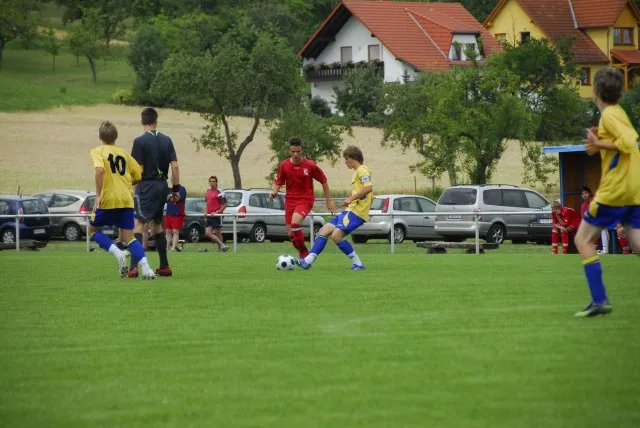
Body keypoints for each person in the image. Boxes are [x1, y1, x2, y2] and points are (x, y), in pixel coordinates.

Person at [575, 67, 640, 317]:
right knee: (637, 243)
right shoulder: (618, 112)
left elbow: (628, 142)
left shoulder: (610, 115)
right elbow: (621, 145)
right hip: (633, 189)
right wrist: (599, 145)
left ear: (595, 92)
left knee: (582, 240)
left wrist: (598, 142)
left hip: (616, 190)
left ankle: (599, 300)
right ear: (620, 94)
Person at [88, 121, 155, 279]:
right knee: (129, 237)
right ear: (115, 136)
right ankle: (147, 269)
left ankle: (119, 253)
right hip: (126, 199)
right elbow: (138, 175)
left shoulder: (98, 151)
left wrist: (98, 195)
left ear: (100, 136)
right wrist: (126, 184)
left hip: (108, 199)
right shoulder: (124, 153)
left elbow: (100, 170)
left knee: (92, 231)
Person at [297, 146, 372, 270]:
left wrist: (351, 198)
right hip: (350, 211)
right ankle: (307, 261)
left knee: (336, 236)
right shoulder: (357, 172)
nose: (345, 162)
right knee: (323, 231)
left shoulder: (362, 170)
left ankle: (358, 264)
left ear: (354, 158)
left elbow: (368, 188)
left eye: (346, 159)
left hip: (356, 212)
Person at [128, 107, 181, 278]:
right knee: (157, 225)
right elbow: (175, 166)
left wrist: (132, 186)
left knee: (138, 223)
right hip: (162, 185)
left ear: (142, 121)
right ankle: (164, 266)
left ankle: (133, 267)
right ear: (156, 121)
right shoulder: (167, 140)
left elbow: (139, 169)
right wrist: (175, 189)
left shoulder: (139, 141)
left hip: (147, 185)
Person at [269, 138, 337, 258]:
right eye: (293, 151)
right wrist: (274, 192)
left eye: (298, 151)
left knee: (295, 224)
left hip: (305, 199)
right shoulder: (284, 165)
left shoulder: (310, 165)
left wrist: (329, 201)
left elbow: (324, 181)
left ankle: (304, 254)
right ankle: (304, 252)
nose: (295, 154)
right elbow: (278, 181)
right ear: (289, 151)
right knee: (291, 234)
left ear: (302, 151)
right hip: (290, 200)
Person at [580, 186, 609, 254]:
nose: (584, 195)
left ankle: (605, 250)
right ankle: (593, 249)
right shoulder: (583, 205)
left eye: (585, 193)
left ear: (590, 193)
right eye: (582, 194)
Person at [204, 176, 229, 252]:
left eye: (213, 181)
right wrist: (205, 212)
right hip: (209, 216)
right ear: (209, 182)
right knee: (208, 233)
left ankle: (220, 249)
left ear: (216, 182)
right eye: (211, 181)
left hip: (217, 216)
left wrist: (217, 212)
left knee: (218, 232)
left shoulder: (219, 192)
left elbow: (225, 204)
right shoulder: (207, 191)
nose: (212, 183)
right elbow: (206, 203)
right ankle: (222, 245)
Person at [164, 184, 187, 252]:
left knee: (175, 231)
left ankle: (173, 248)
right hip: (169, 213)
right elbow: (165, 199)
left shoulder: (182, 189)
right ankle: (167, 247)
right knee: (167, 231)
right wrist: (170, 196)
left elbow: (179, 199)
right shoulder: (169, 189)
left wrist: (172, 196)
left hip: (177, 213)